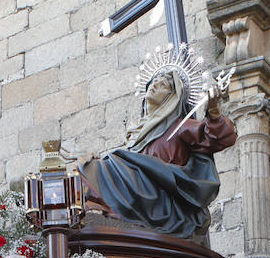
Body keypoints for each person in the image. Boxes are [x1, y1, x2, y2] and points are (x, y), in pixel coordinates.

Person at [79, 58, 237, 239]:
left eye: (162, 85)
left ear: (173, 97)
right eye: (153, 82)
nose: (154, 86)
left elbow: (218, 138)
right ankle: (100, 209)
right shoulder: (138, 133)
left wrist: (214, 111)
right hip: (140, 194)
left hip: (162, 201)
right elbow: (129, 169)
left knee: (106, 164)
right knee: (89, 165)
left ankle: (108, 208)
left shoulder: (180, 126)